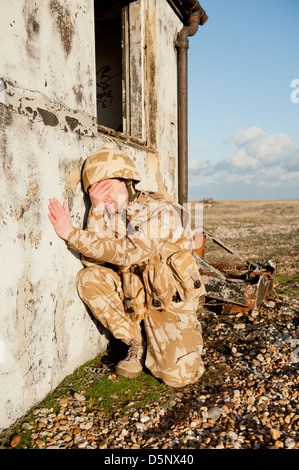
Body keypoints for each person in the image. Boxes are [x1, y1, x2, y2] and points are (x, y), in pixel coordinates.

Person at [48, 147, 205, 388]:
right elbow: (93, 261)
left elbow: (131, 252)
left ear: (129, 181)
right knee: (89, 277)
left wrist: (70, 233)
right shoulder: (115, 217)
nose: (104, 194)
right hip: (136, 299)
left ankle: (172, 337)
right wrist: (97, 210)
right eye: (96, 190)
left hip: (168, 302)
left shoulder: (165, 211)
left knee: (178, 378)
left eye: (107, 186)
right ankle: (136, 341)